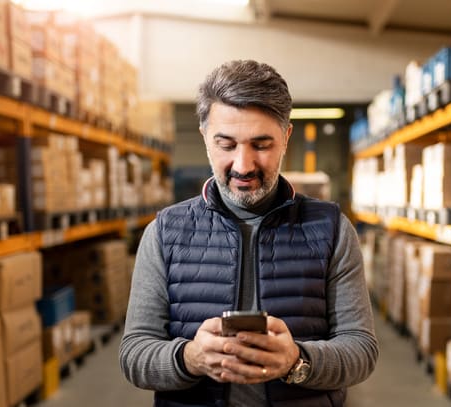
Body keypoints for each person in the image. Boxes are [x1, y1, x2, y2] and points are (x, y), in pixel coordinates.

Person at [120, 59, 378, 407]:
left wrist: (297, 361)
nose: (243, 165)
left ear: (286, 137)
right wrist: (190, 358)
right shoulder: (165, 233)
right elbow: (135, 354)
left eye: (261, 145)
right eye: (226, 145)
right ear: (205, 137)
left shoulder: (331, 230)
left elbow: (360, 349)